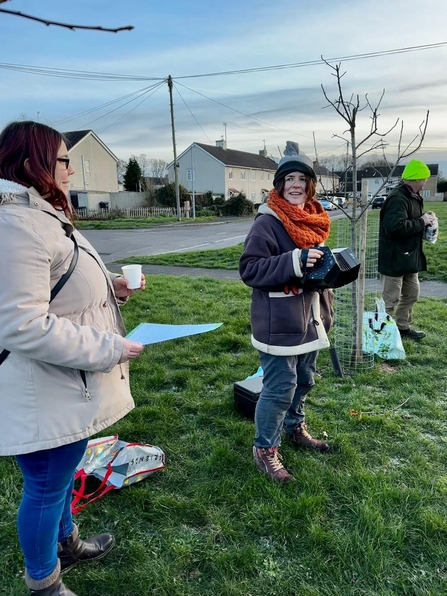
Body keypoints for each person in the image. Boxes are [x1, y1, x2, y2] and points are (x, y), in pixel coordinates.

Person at [0, 121, 146, 596]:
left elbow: (60, 289)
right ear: (31, 165)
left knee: (62, 468)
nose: (70, 170)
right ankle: (43, 582)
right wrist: (109, 349)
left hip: (59, 381)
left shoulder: (38, 213)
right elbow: (22, 324)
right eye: (64, 160)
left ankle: (67, 542)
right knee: (46, 483)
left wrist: (111, 288)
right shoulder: (14, 224)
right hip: (40, 384)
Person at [239, 151, 334, 482]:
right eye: (289, 179)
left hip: (311, 318)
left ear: (311, 187)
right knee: (280, 387)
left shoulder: (312, 219)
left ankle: (295, 427)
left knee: (305, 380)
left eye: (302, 180)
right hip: (278, 322)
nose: (296, 185)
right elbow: (249, 269)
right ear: (279, 185)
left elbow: (313, 266)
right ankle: (264, 449)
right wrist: (293, 261)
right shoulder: (267, 222)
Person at [378, 159, 435, 340]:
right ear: (417, 179)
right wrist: (422, 221)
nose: (426, 181)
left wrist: (428, 220)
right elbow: (395, 228)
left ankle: (402, 327)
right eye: (424, 178)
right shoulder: (398, 198)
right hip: (394, 259)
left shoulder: (414, 197)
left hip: (411, 256)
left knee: (411, 295)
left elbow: (413, 222)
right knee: (390, 299)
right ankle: (382, 335)